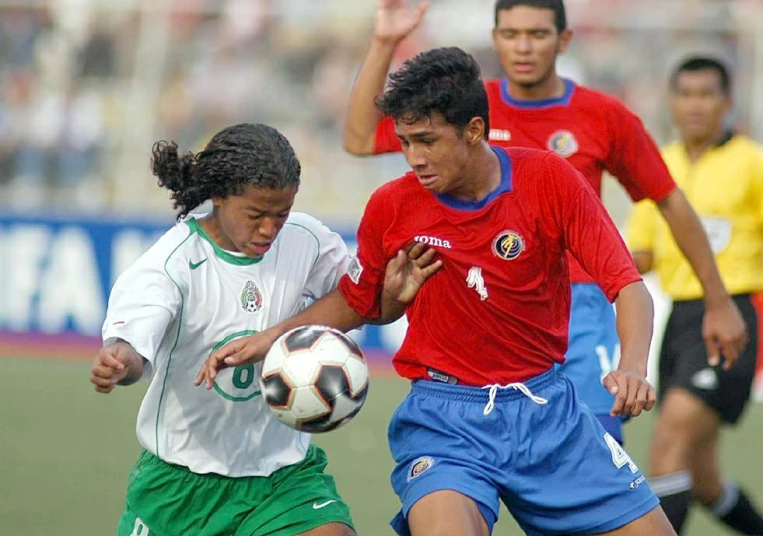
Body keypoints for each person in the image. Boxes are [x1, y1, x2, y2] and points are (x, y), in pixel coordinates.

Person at [198, 48, 677, 536]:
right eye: (405, 141)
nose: (413, 158)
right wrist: (272, 338)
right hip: (446, 422)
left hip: (547, 413)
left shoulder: (549, 179)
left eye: (426, 141)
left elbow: (627, 286)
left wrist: (633, 367)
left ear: (473, 130)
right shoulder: (393, 205)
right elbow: (359, 302)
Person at [341, 0, 747, 444]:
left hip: (580, 304)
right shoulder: (463, 111)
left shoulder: (603, 116)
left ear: (564, 40)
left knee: (596, 439)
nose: (523, 47)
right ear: (495, 40)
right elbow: (360, 139)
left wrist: (718, 299)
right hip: (495, 306)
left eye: (537, 34)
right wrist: (384, 42)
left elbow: (670, 202)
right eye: (511, 34)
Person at [89, 123, 440, 536]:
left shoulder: (306, 239)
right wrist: (121, 361)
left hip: (282, 475)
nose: (270, 229)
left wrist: (395, 298)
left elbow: (363, 306)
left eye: (282, 214)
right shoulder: (172, 262)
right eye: (256, 215)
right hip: (180, 485)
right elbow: (132, 346)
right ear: (219, 196)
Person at [626, 57, 763, 535]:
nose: (695, 105)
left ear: (727, 102)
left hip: (732, 317)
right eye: (685, 94)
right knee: (702, 477)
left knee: (666, 449)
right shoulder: (659, 164)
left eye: (706, 94)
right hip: (680, 322)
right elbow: (641, 252)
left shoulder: (752, 163)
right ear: (672, 101)